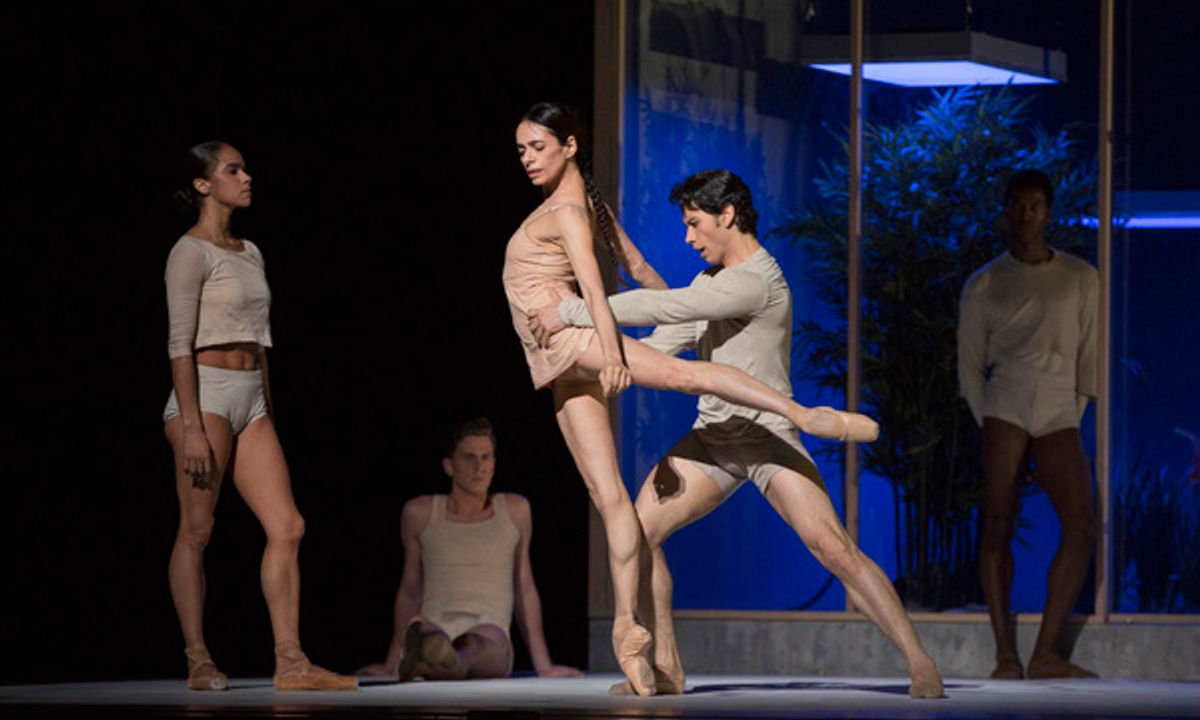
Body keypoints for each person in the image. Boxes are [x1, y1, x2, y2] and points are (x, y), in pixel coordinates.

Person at [503, 103, 879, 695]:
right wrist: (687, 311)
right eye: (521, 149)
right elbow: (641, 268)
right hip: (555, 359)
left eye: (536, 146)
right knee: (613, 502)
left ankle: (801, 412)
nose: (526, 158)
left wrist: (615, 347)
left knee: (687, 378)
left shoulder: (570, 211)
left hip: (574, 340)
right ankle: (640, 640)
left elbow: (597, 289)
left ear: (570, 145)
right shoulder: (589, 207)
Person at [163, 141, 356, 691]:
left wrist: (265, 404)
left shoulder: (249, 251)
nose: (246, 176)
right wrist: (195, 425)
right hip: (205, 395)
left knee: (287, 525)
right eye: (232, 170)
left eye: (245, 167)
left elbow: (259, 341)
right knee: (197, 530)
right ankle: (198, 658)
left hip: (251, 396)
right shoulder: (189, 252)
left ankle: (291, 661)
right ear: (203, 185)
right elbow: (179, 344)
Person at [957, 168, 1099, 680]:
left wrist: (1077, 408)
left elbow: (1089, 353)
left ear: (1049, 211)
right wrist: (987, 416)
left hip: (1059, 405)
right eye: (1018, 204)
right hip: (1006, 404)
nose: (1026, 214)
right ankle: (1005, 655)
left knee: (1081, 525)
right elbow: (970, 366)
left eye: (1036, 205)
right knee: (996, 523)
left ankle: (1045, 652)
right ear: (1006, 210)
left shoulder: (1081, 277)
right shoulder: (985, 283)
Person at [359, 418, 582, 681]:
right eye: (469, 458)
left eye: (486, 458)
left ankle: (437, 658)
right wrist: (391, 662)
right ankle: (434, 652)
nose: (480, 467)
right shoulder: (420, 513)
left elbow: (524, 586)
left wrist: (544, 665)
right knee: (427, 633)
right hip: (434, 622)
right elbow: (410, 587)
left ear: (494, 463)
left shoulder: (515, 510)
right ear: (449, 466)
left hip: (488, 631)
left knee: (473, 648)